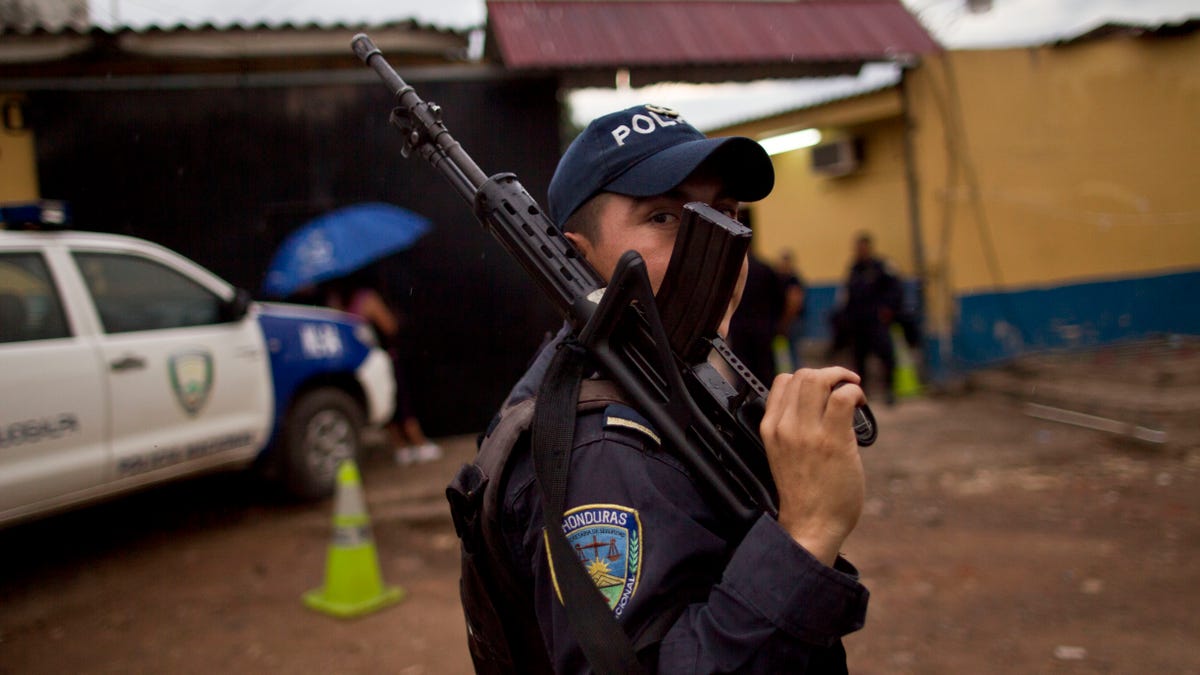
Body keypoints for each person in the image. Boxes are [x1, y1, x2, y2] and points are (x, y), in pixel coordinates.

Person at [459, 104, 869, 673]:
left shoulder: (671, 369)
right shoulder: (600, 448)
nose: (716, 247)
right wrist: (808, 532)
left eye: (724, 212)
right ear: (575, 257)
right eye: (665, 217)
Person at [322, 273, 442, 464]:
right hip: (382, 358)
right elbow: (389, 327)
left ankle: (400, 447)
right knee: (402, 400)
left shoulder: (334, 303)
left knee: (385, 404)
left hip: (357, 365)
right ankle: (419, 443)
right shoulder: (366, 298)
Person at [836, 233, 902, 405]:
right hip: (858, 323)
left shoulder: (881, 266)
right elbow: (847, 295)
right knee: (859, 360)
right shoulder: (854, 268)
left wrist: (888, 309)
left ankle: (890, 390)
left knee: (886, 356)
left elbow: (896, 289)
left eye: (863, 247)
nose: (860, 251)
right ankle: (862, 394)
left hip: (877, 321)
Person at [727, 244, 786, 385]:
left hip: (739, 327)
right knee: (766, 370)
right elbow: (780, 298)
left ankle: (745, 403)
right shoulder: (765, 268)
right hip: (763, 328)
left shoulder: (731, 269)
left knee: (741, 370)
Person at [776, 249, 808, 370]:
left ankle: (794, 377)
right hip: (791, 321)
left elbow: (794, 303)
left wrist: (785, 322)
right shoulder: (788, 279)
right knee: (788, 354)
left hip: (792, 322)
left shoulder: (792, 280)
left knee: (792, 354)